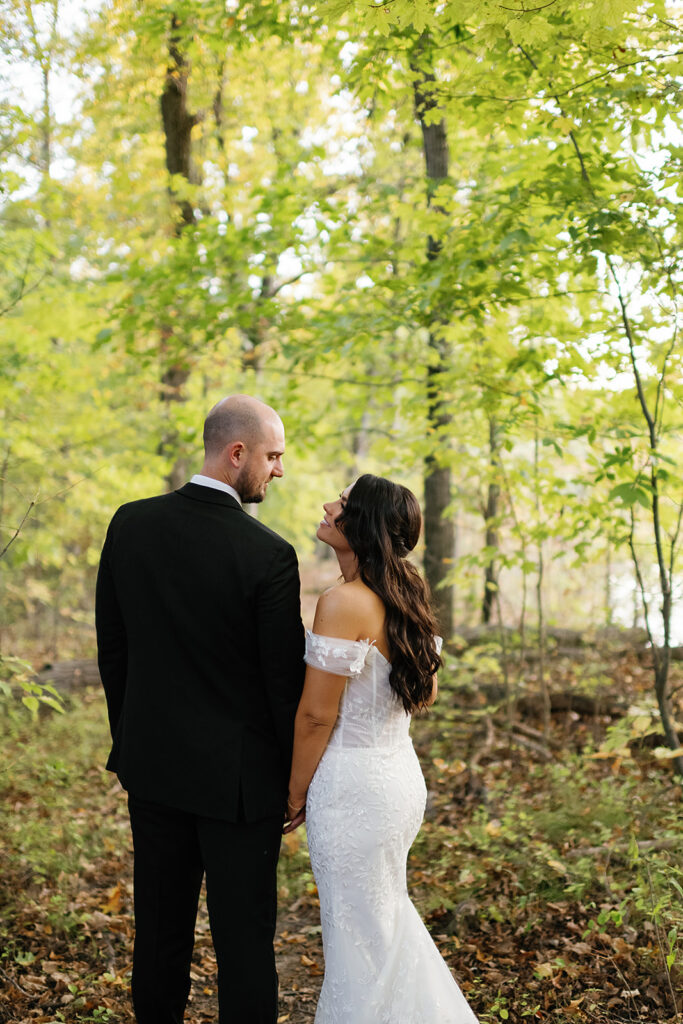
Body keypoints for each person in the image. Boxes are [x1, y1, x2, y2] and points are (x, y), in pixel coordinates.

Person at [96, 394, 305, 1024]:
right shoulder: (269, 555)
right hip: (240, 788)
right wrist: (292, 782)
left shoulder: (130, 523)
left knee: (158, 934)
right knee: (245, 946)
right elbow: (281, 686)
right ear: (236, 452)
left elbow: (115, 652)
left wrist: (133, 741)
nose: (278, 470)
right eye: (272, 456)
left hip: (153, 768)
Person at [284, 474, 479, 1024]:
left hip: (352, 790)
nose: (328, 505)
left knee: (359, 937)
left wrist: (295, 792)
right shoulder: (407, 598)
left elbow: (318, 714)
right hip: (397, 779)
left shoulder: (343, 602)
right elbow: (421, 696)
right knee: (381, 924)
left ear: (362, 524)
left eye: (342, 504)